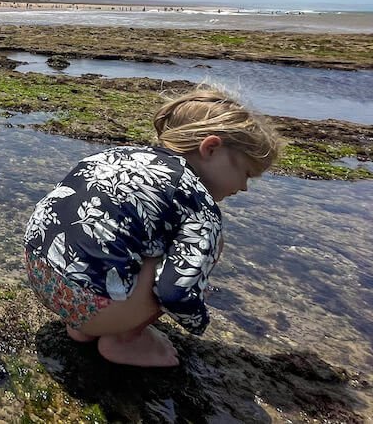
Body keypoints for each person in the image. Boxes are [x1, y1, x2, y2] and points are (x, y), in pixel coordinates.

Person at [22, 87, 282, 367]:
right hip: (94, 306)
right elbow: (176, 293)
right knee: (205, 250)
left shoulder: (122, 154)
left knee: (122, 240)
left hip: (39, 273)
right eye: (245, 173)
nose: (243, 187)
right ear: (211, 148)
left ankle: (82, 327)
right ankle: (123, 339)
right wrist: (198, 317)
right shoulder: (198, 202)